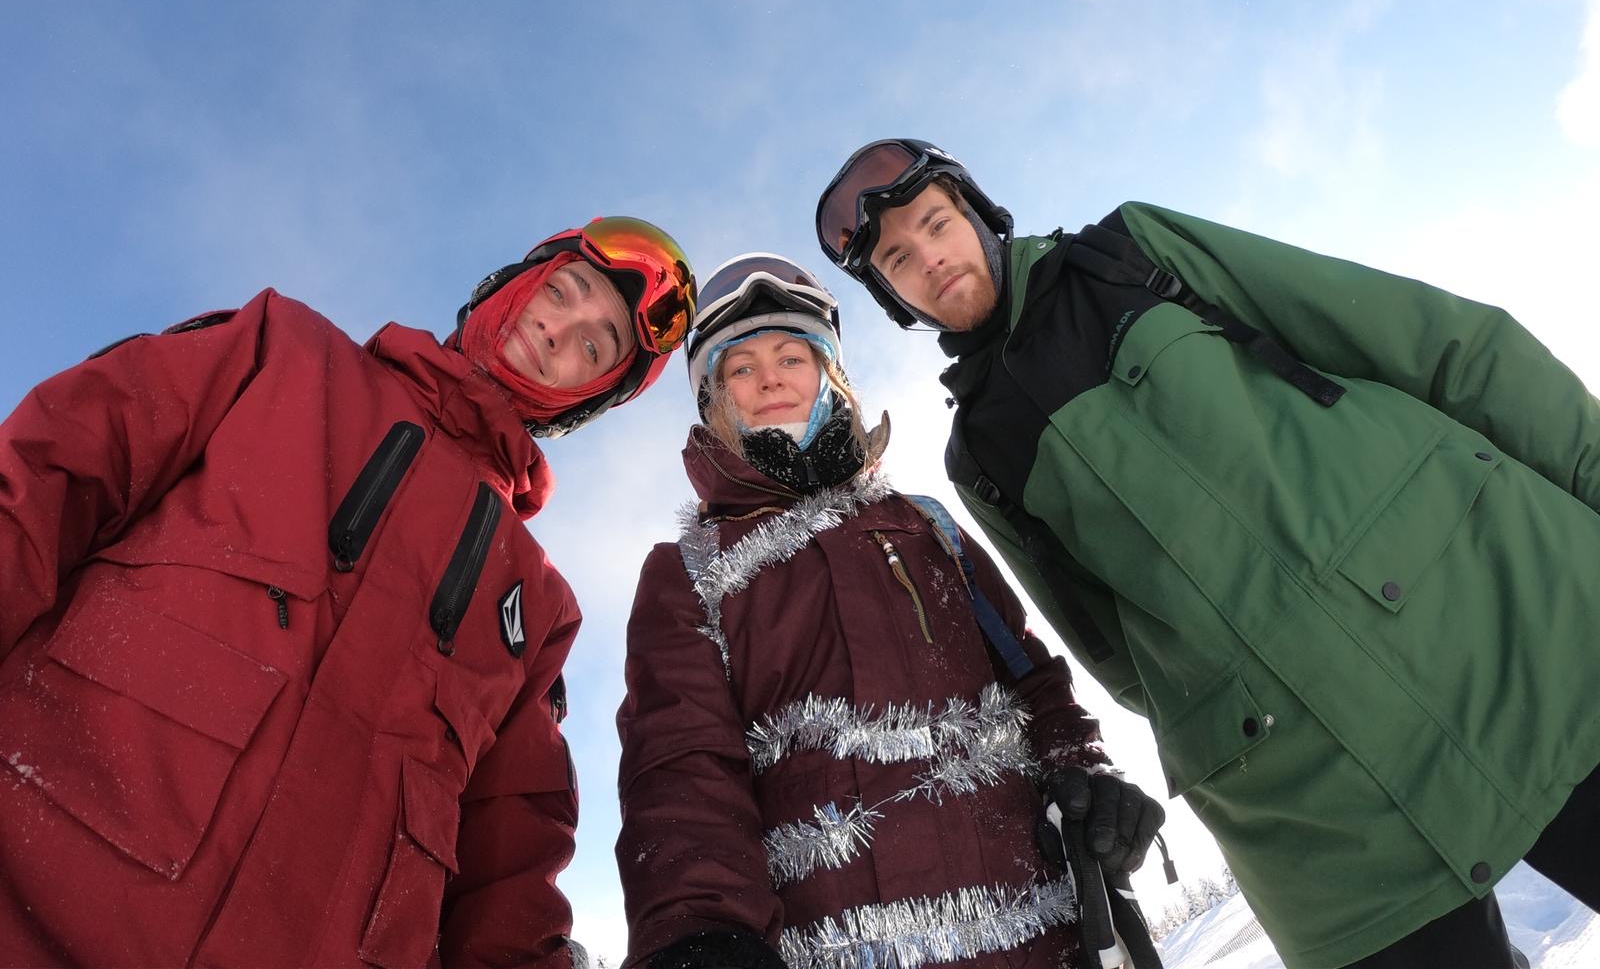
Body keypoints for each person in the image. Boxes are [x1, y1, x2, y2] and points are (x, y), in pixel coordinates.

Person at [814, 138, 1600, 969]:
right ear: (889, 293)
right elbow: (1113, 655)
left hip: (1518, 637)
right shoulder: (978, 455)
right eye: (899, 258)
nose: (931, 258)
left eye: (937, 223)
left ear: (977, 214)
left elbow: (1433, 342)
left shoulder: (1135, 252)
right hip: (1327, 816)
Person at [0, 217, 697, 968]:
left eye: (595, 347)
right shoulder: (278, 353)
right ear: (511, 281)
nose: (560, 330)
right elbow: (43, 483)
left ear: (587, 399)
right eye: (562, 291)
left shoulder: (536, 605)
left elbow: (512, 875)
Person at [614, 253, 1167, 969]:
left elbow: (1037, 685)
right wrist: (700, 929)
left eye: (791, 355)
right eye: (740, 368)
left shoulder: (926, 524)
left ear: (829, 377)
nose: (771, 376)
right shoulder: (687, 573)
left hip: (1051, 936)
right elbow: (681, 764)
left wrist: (1087, 772)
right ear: (715, 403)